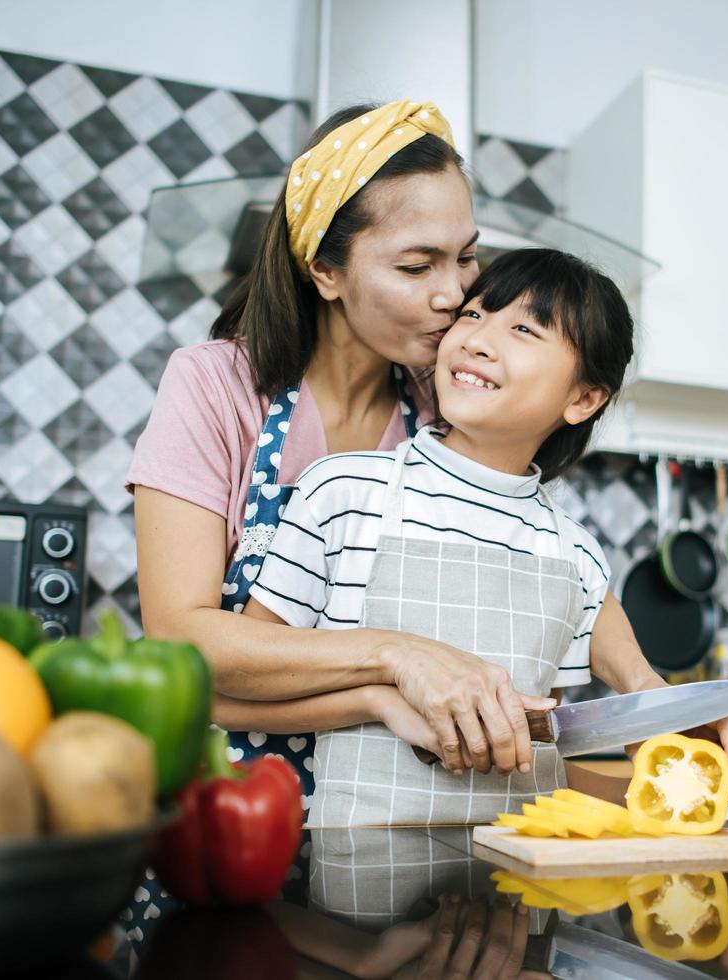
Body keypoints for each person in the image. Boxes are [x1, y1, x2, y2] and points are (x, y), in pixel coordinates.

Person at [128, 99, 728, 798]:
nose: (453, 294)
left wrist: (648, 698)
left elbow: (547, 553)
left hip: (390, 816)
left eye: (464, 257)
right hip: (228, 805)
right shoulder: (216, 385)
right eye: (416, 266)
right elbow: (180, 644)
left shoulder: (444, 393)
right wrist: (400, 656)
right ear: (325, 271)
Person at [232, 248, 631, 831]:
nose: (476, 339)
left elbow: (541, 756)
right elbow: (238, 684)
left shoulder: (575, 559)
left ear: (583, 399)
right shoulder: (344, 491)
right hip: (352, 878)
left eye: (523, 329)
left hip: (510, 888)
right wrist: (381, 701)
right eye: (473, 315)